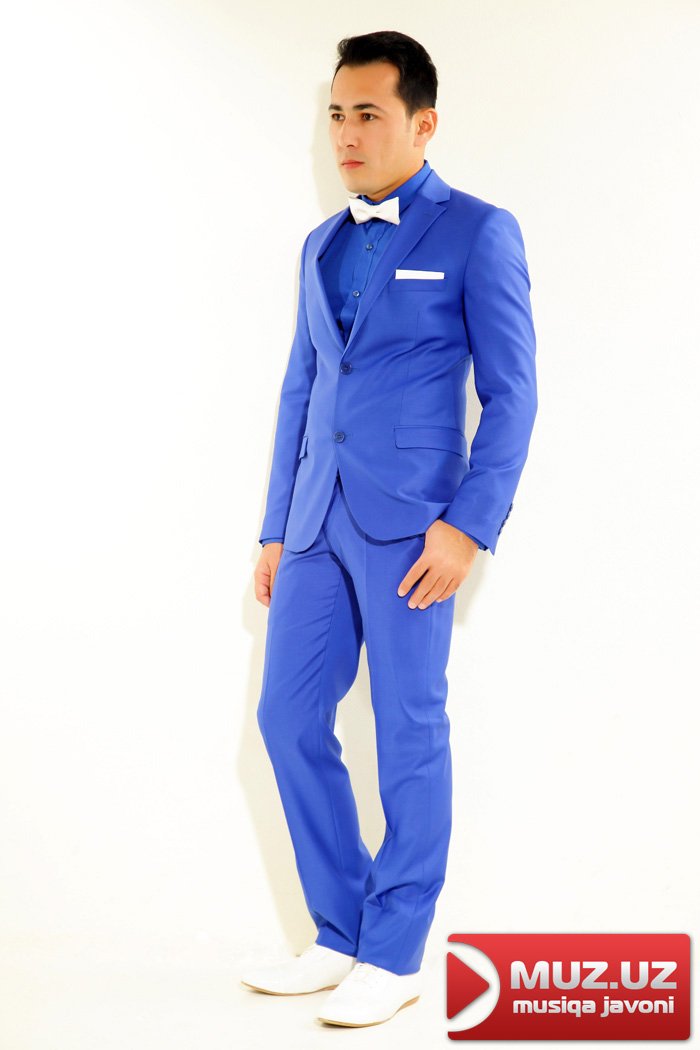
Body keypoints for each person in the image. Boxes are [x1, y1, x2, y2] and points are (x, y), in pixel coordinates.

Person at [241, 30, 538, 1028]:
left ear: (423, 123)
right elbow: (301, 390)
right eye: (336, 114)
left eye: (367, 114)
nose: (346, 134)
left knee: (409, 727)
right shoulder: (319, 244)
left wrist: (469, 527)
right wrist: (274, 526)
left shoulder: (479, 232)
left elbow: (513, 395)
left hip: (416, 529)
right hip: (314, 522)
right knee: (286, 720)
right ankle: (339, 931)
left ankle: (397, 951)